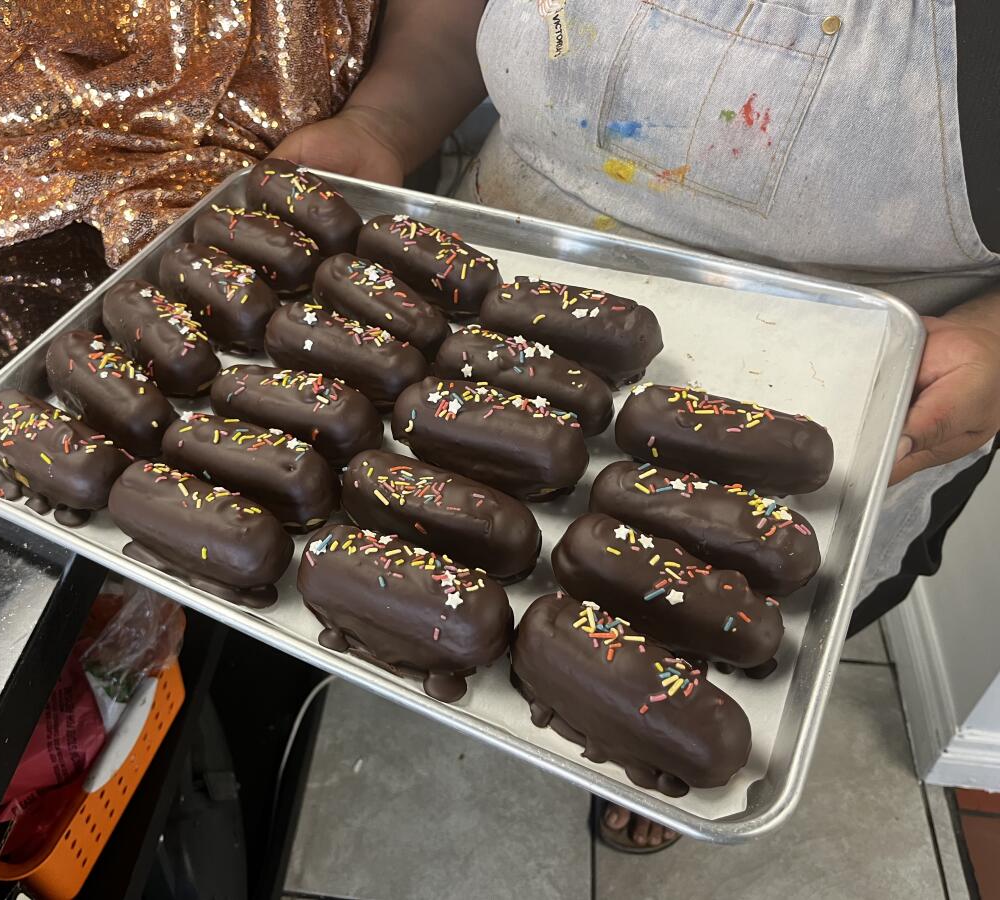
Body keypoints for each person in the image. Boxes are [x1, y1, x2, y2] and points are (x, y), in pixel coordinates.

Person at [275, 0, 1000, 852]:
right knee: (484, 618)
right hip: (505, 278)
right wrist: (382, 123)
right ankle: (571, 694)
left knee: (746, 639)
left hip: (877, 387)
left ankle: (654, 743)